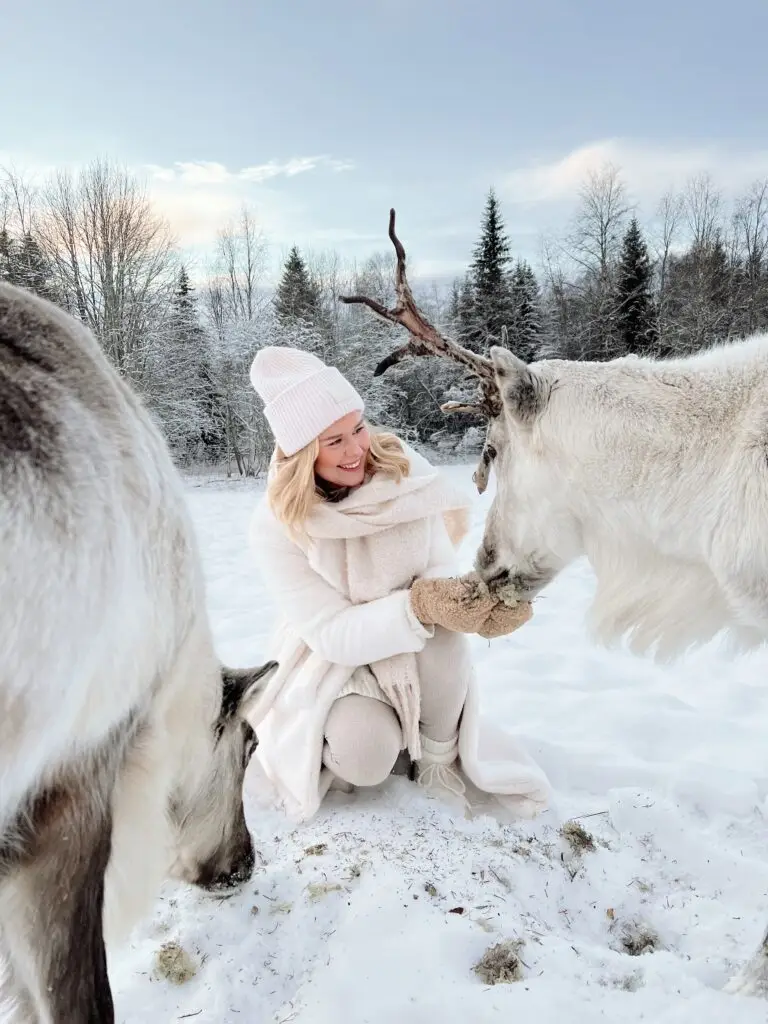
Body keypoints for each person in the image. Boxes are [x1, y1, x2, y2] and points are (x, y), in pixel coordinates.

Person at [244, 346, 551, 822]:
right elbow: (331, 631)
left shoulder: (400, 473)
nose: (356, 450)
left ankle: (435, 757)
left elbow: (438, 575)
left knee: (442, 626)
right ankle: (359, 737)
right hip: (333, 657)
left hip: (417, 644)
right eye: (333, 441)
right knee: (366, 758)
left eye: (358, 428)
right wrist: (419, 605)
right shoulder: (278, 524)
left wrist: (487, 603)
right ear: (302, 452)